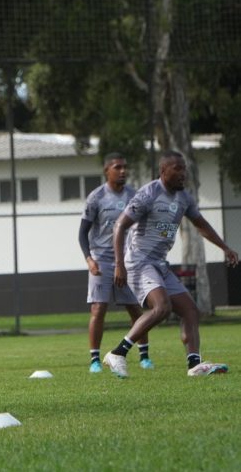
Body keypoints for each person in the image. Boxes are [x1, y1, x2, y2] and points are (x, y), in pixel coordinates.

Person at [104, 150, 239, 378]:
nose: (183, 173)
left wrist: (225, 247)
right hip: (138, 261)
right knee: (162, 307)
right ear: (163, 171)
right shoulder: (148, 194)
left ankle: (194, 365)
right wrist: (119, 264)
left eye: (184, 168)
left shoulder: (184, 198)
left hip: (159, 263)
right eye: (177, 168)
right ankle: (118, 353)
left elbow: (201, 224)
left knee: (190, 311)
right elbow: (119, 226)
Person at [79, 153, 154, 374]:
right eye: (117, 167)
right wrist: (89, 259)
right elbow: (82, 233)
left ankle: (144, 356)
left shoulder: (135, 196)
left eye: (125, 167)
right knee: (98, 308)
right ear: (106, 171)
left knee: (135, 308)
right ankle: (94, 360)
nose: (122, 171)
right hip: (102, 260)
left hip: (130, 260)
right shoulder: (96, 197)